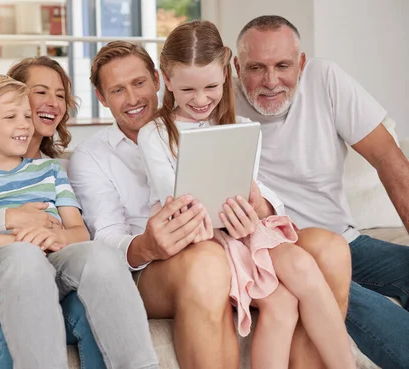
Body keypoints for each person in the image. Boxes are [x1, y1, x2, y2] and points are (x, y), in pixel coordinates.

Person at [137, 20, 355, 369]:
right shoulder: (156, 134)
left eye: (211, 86)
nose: (201, 99)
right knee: (284, 297)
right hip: (200, 240)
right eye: (188, 89)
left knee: (298, 271)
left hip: (242, 231)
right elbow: (174, 202)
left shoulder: (239, 127)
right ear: (167, 80)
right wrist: (226, 216)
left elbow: (252, 189)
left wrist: (255, 209)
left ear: (225, 75)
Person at [0, 74, 159, 369]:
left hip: (49, 277)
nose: (24, 124)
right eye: (10, 116)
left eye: (25, 115)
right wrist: (8, 239)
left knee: (99, 255)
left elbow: (79, 233)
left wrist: (60, 238)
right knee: (23, 258)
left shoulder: (50, 172)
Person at [233, 15, 409, 369]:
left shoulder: (326, 79)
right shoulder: (214, 98)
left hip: (346, 242)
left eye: (283, 65)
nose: (270, 81)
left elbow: (389, 160)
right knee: (377, 320)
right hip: (281, 254)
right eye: (255, 68)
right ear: (237, 67)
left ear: (301, 63)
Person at [68, 40, 237, 369]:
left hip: (214, 251)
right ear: (101, 98)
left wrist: (258, 208)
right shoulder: (91, 156)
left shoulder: (200, 124)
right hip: (144, 275)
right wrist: (146, 246)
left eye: (139, 83)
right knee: (205, 260)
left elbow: (259, 189)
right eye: (117, 90)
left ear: (159, 81)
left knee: (213, 259)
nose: (132, 99)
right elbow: (104, 238)